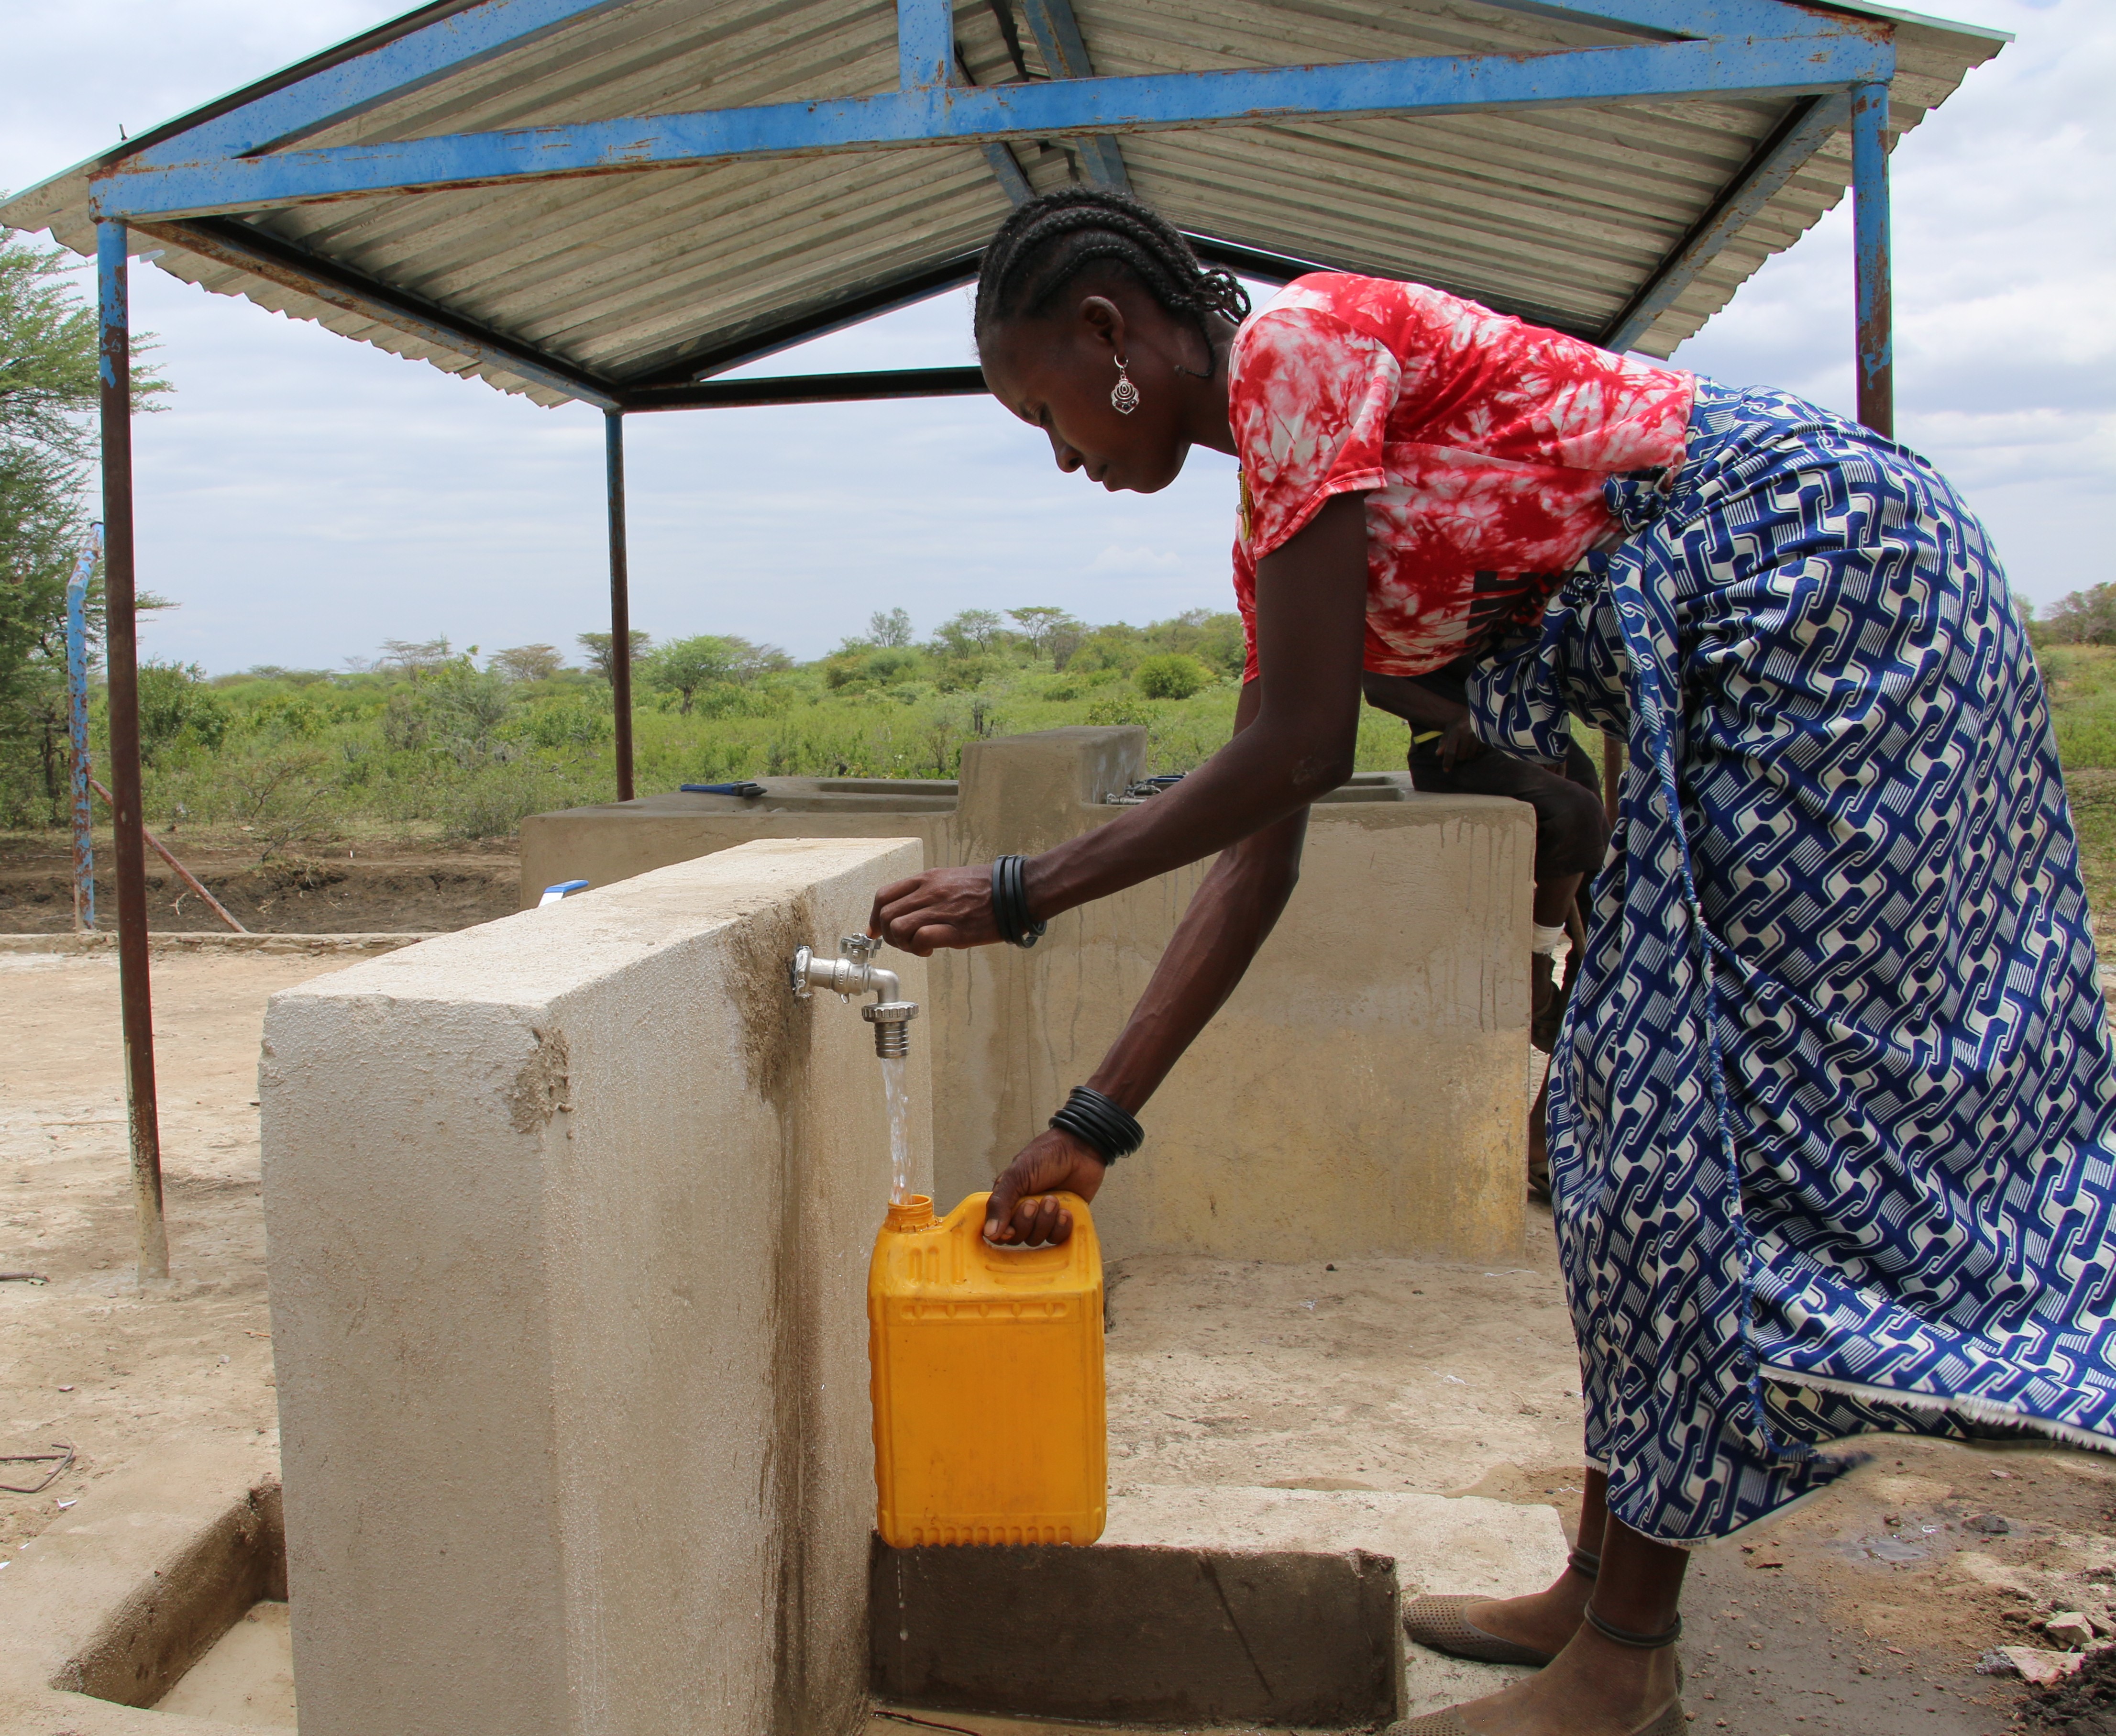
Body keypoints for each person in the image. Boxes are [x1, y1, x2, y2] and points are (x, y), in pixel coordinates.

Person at [869, 188, 2116, 1736]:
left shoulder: (1299, 350)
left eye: (1044, 407)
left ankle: (1624, 1662)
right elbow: (1272, 831)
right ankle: (1597, 1586)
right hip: (1739, 644)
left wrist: (1023, 888)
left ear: (1111, 336)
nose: (1062, 452)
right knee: (1610, 1113)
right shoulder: (1284, 517)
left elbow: (1297, 748)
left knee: (1676, 1117)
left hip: (1829, 597)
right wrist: (1093, 1121)